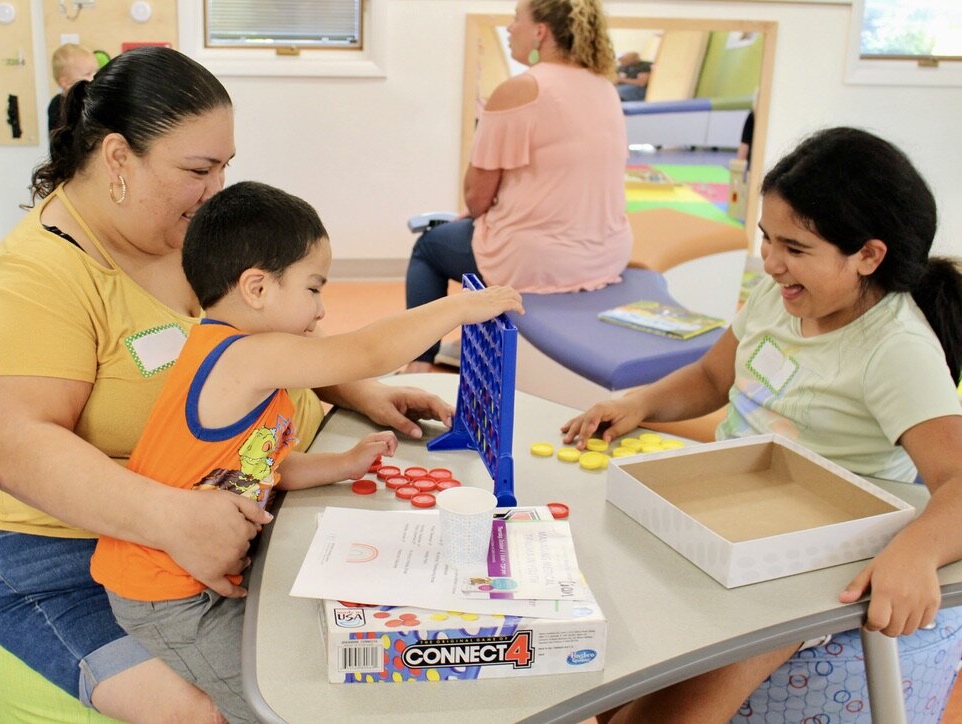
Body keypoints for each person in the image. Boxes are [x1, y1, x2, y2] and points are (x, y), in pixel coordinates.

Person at [0, 46, 457, 722]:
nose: (215, 191)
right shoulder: (34, 278)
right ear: (119, 159)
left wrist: (356, 391)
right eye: (197, 170)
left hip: (191, 515)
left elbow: (258, 330)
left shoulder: (182, 240)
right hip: (50, 553)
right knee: (217, 705)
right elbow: (16, 449)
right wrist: (172, 518)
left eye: (224, 168)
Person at [561, 127, 962, 722]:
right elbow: (710, 378)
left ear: (868, 256)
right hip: (725, 518)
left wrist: (917, 553)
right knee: (606, 676)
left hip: (806, 565)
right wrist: (642, 402)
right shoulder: (782, 296)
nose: (772, 262)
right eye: (765, 239)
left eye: (795, 248)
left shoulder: (895, 348)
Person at [91, 180, 524, 720]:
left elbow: (254, 469)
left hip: (193, 572)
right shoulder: (243, 358)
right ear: (257, 288)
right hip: (166, 595)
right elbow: (365, 350)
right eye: (314, 289)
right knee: (277, 704)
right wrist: (458, 308)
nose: (320, 312)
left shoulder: (241, 361)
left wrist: (342, 465)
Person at [404, 0, 631, 373]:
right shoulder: (604, 87)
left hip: (541, 260)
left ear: (540, 31)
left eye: (516, 20)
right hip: (607, 253)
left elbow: (476, 199)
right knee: (470, 234)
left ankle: (418, 364)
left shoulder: (521, 89)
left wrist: (481, 213)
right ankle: (469, 344)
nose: (510, 28)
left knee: (429, 247)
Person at [46, 43, 99, 140]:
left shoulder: (96, 100)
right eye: (87, 74)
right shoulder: (57, 106)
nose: (94, 78)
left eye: (96, 72)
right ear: (65, 83)